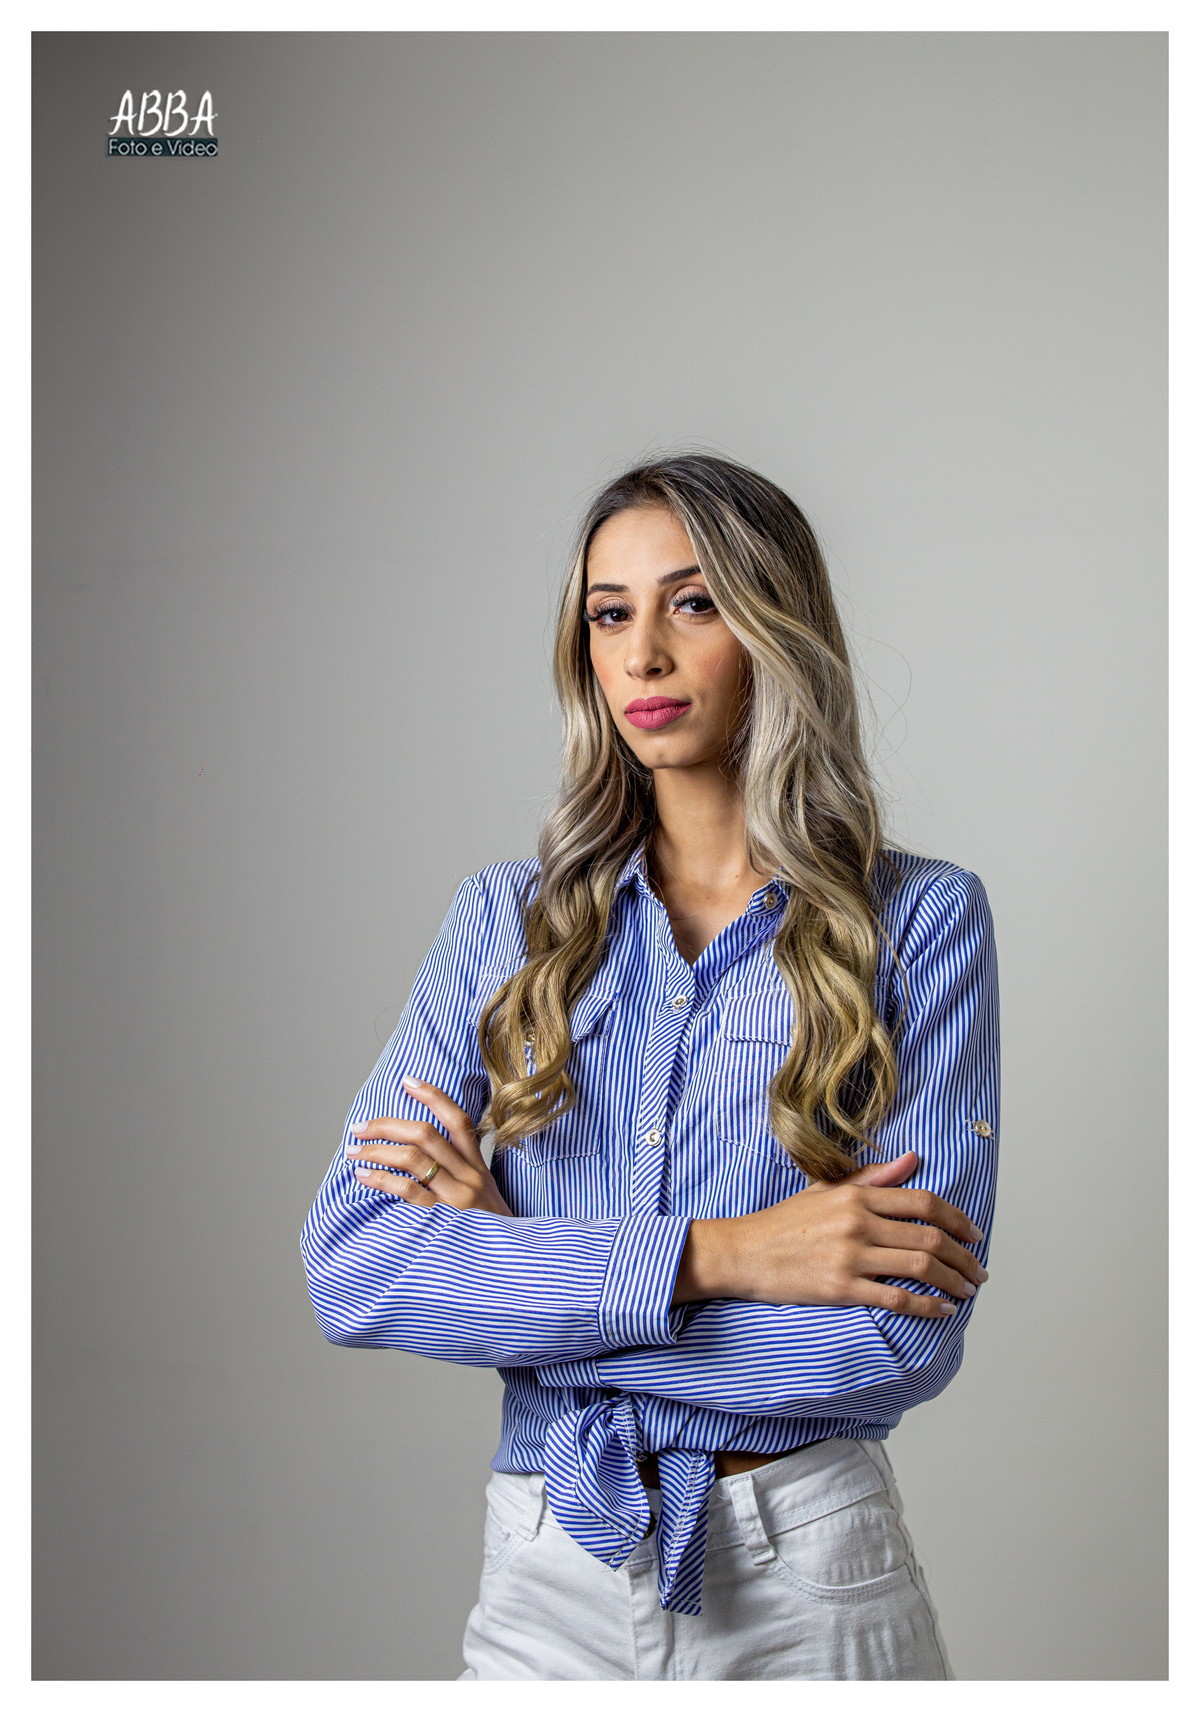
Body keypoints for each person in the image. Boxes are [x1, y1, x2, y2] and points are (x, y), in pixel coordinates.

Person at [300, 453, 999, 1681]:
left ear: (774, 626)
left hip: (809, 1573)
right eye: (610, 614)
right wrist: (730, 1254)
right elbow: (354, 1268)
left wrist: (514, 1269)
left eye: (693, 603)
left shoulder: (920, 922)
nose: (644, 656)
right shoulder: (503, 922)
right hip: (543, 1571)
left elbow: (893, 1345)